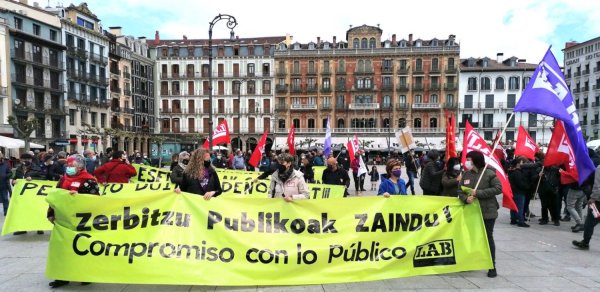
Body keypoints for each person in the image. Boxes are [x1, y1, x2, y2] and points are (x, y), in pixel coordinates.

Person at [47, 154, 99, 288]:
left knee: (81, 248)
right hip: (63, 220)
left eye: (72, 166)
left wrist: (79, 197)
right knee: (62, 249)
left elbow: (95, 201)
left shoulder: (89, 180)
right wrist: (51, 213)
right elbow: (56, 197)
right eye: (68, 166)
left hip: (81, 221)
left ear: (80, 167)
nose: (69, 168)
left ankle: (84, 275)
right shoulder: (63, 179)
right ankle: (62, 276)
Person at [457, 150, 502, 278]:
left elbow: (498, 189)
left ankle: (491, 266)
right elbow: (459, 190)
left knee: (487, 238)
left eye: (469, 159)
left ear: (475, 160)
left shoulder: (488, 173)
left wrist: (478, 193)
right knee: (470, 238)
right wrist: (465, 199)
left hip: (487, 211)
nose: (467, 162)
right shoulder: (466, 174)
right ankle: (470, 262)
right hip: (471, 212)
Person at [573, 164, 600, 250]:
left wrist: (593, 198)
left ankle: (585, 242)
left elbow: (597, 185)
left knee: (589, 222)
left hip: (598, 201)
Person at [508, 157, 530, 227]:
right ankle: (520, 221)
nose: (523, 164)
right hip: (519, 192)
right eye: (522, 162)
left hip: (513, 191)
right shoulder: (518, 173)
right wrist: (527, 186)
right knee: (520, 207)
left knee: (513, 206)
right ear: (518, 164)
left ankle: (513, 219)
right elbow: (520, 183)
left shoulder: (511, 171)